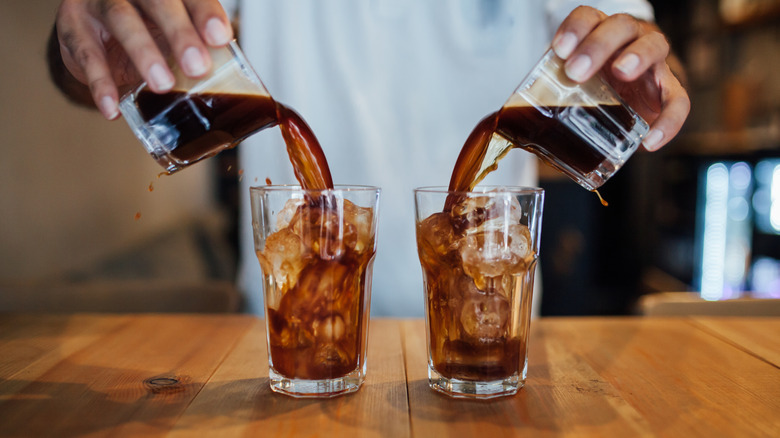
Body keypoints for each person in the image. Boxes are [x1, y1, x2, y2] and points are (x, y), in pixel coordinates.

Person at [48, 0, 689, 316]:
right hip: (277, 332)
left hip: (490, 323)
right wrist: (88, 46)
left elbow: (642, 53)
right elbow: (87, 64)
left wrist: (645, 73)